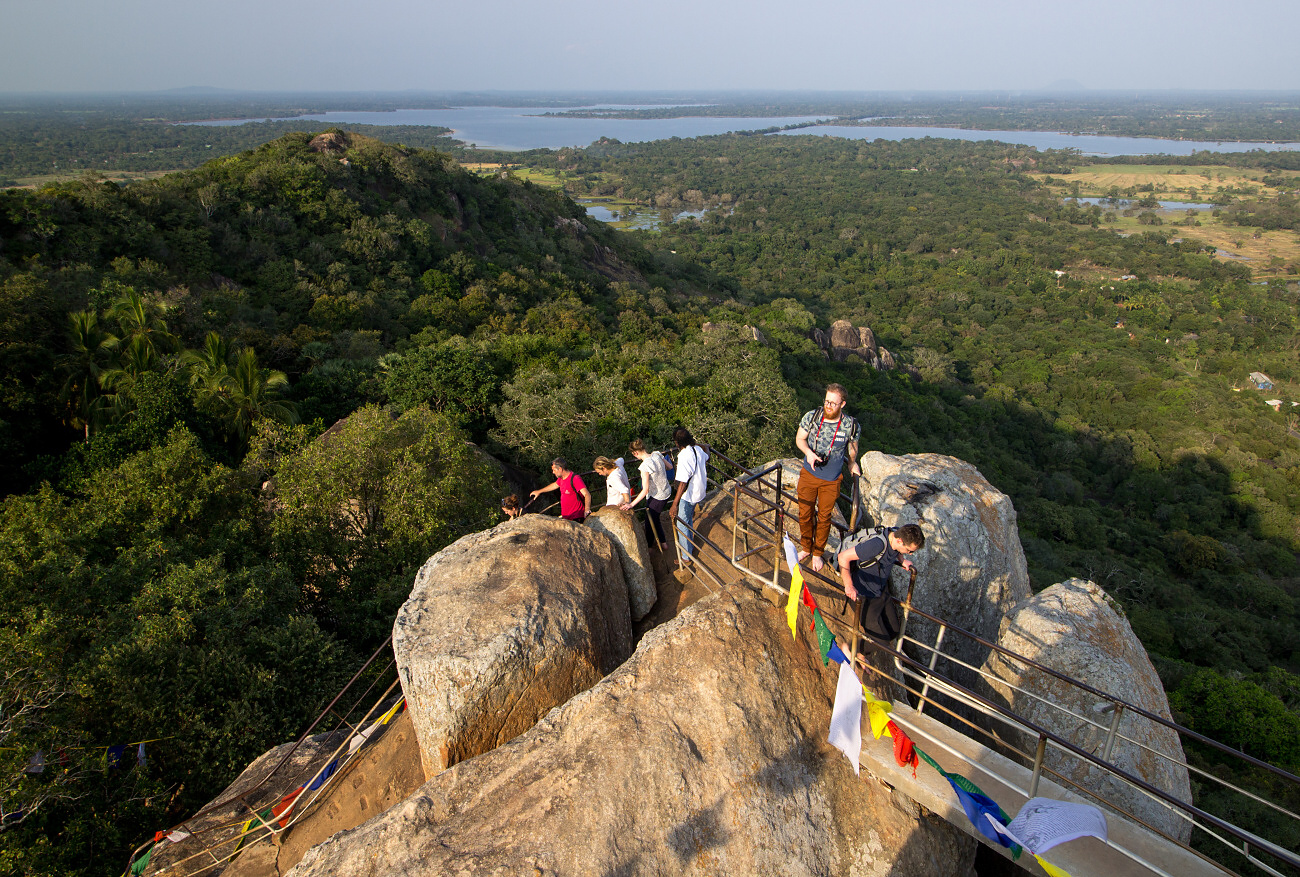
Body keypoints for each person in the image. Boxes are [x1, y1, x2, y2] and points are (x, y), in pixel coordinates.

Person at [794, 383, 861, 573]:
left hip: (831, 480)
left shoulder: (851, 425)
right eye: (826, 401)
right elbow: (800, 439)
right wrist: (808, 453)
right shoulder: (812, 417)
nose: (828, 406)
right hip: (809, 474)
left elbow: (853, 447)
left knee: (824, 517)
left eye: (833, 403)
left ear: (843, 404)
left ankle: (817, 552)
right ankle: (806, 547)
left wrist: (851, 463)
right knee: (805, 513)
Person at [837, 524, 925, 602]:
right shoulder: (877, 545)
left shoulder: (896, 533)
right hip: (864, 591)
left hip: (880, 590)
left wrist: (902, 560)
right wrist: (849, 586)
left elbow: (899, 550)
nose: (910, 554)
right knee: (873, 621)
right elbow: (843, 557)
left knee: (892, 620)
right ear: (900, 541)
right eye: (909, 550)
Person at [621, 438, 674, 550]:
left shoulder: (645, 466)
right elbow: (670, 467)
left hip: (657, 496)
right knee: (655, 518)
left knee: (649, 521)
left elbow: (645, 490)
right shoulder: (657, 454)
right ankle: (663, 543)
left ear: (635, 453)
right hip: (667, 491)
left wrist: (631, 504)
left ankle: (649, 547)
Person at [669, 427, 710, 566]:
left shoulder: (683, 456)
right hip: (700, 490)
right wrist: (705, 446)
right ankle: (690, 542)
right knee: (687, 517)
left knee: (681, 522)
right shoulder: (698, 449)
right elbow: (707, 455)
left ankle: (686, 557)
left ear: (677, 443)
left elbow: (682, 482)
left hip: (689, 495)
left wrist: (675, 504)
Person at [529, 458, 591, 522]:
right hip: (566, 517)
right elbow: (554, 485)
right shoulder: (561, 478)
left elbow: (587, 494)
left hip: (576, 517)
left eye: (554, 470)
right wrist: (539, 491)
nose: (553, 472)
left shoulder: (575, 479)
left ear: (560, 469)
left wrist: (587, 509)